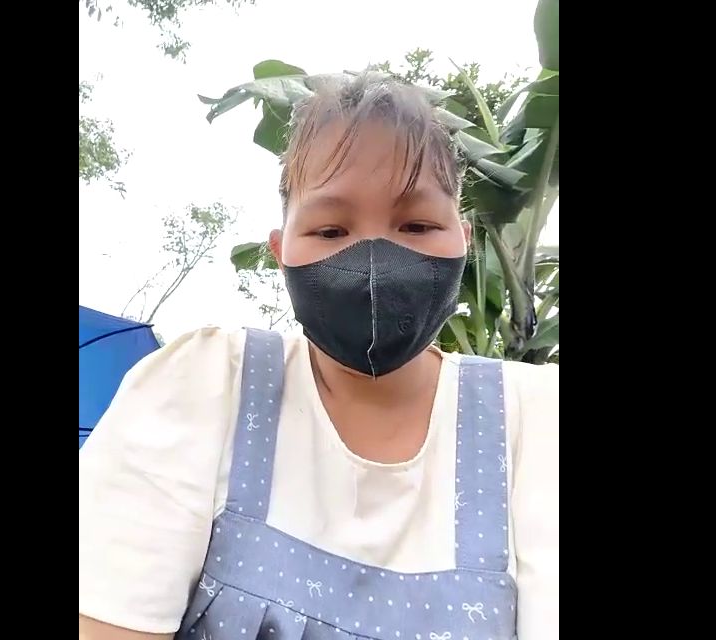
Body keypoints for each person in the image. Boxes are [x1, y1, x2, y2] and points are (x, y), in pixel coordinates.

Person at [79, 75, 559, 640]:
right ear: (281, 252)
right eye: (331, 229)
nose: (375, 261)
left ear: (464, 238)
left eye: (417, 225)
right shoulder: (203, 388)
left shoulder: (537, 422)